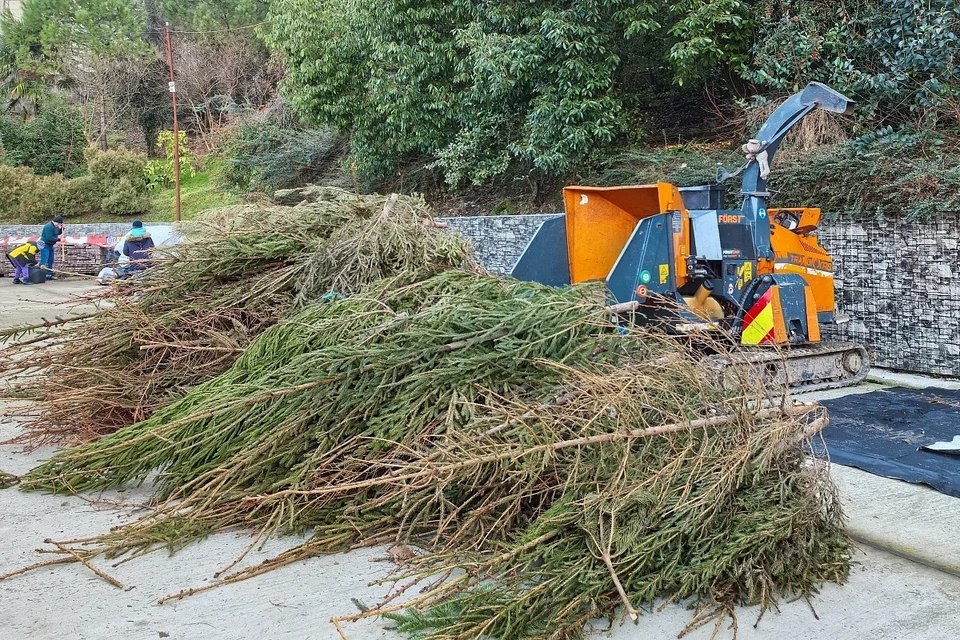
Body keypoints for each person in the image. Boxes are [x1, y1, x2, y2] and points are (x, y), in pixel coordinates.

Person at [38, 215, 64, 280]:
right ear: (56, 222)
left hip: (50, 245)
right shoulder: (48, 227)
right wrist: (59, 240)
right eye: (59, 224)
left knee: (50, 260)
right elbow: (49, 237)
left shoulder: (55, 226)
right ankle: (40, 274)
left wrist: (62, 228)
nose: (59, 225)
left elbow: (57, 233)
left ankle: (49, 274)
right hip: (45, 244)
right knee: (44, 260)